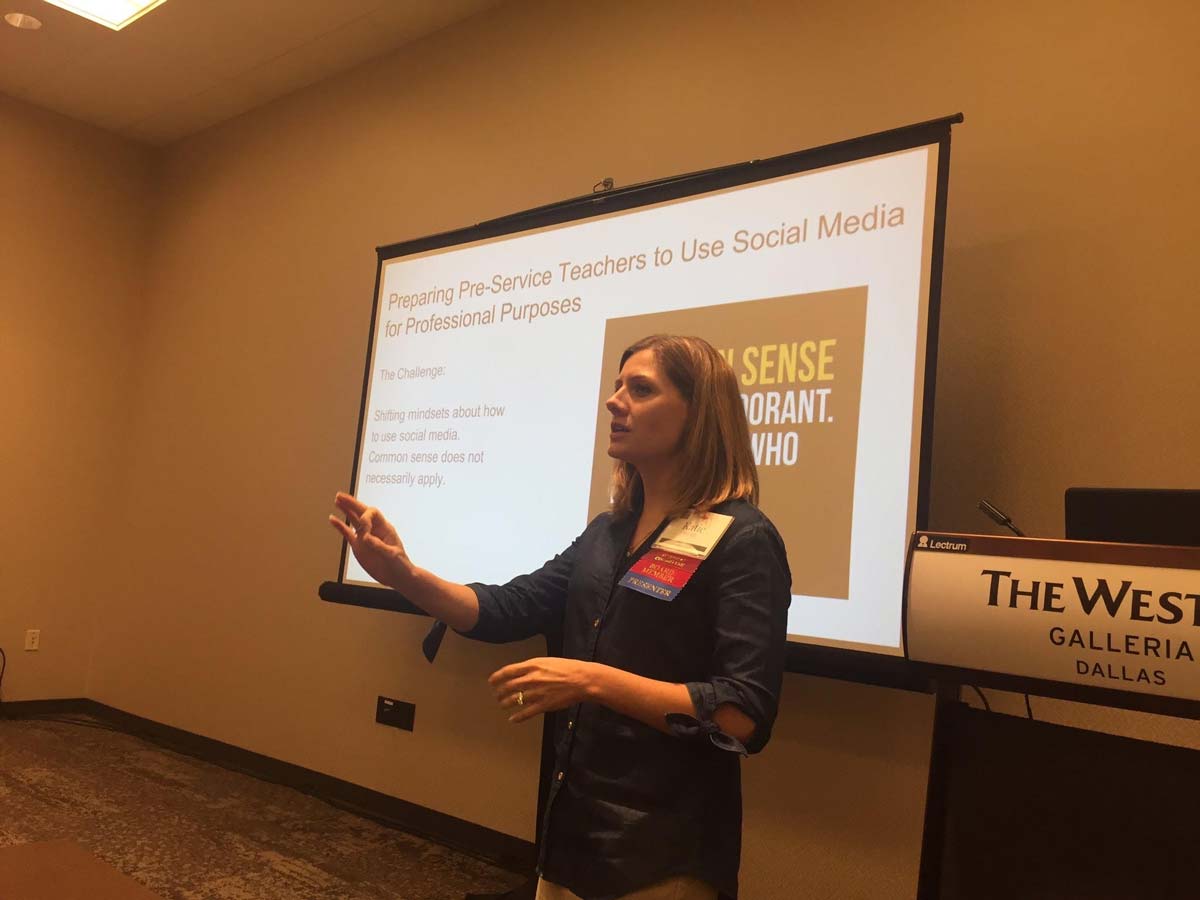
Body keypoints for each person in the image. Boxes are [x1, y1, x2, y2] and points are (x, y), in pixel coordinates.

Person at [330, 334, 791, 900]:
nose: (614, 401)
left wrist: (590, 680)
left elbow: (742, 715)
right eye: (617, 385)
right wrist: (402, 572)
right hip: (571, 836)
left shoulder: (744, 539)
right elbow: (507, 608)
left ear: (699, 414)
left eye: (640, 389)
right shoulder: (608, 532)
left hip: (665, 855)